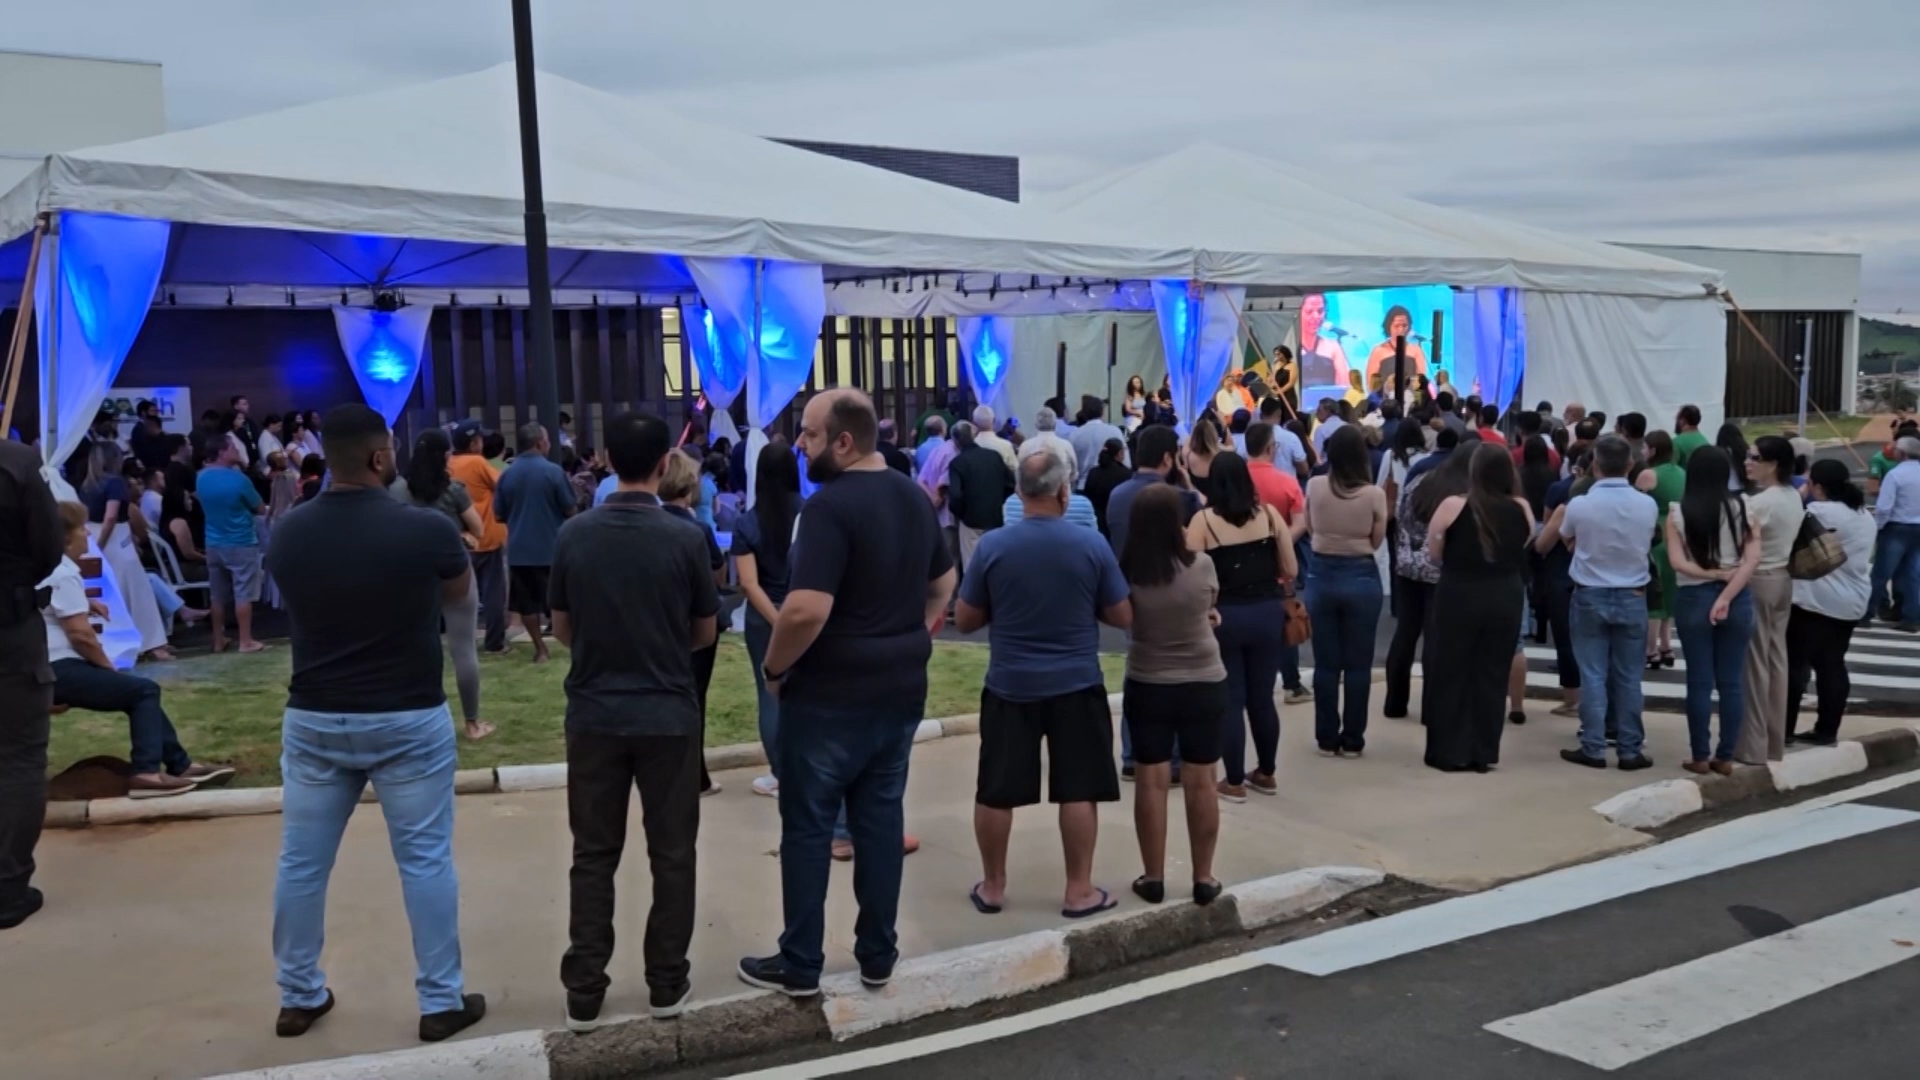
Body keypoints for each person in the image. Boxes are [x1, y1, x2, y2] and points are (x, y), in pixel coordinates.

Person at [266, 403, 486, 1043]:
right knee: (425, 860)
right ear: (379, 456)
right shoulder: (426, 529)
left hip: (315, 713)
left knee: (301, 863)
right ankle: (440, 1000)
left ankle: (298, 995)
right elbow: (458, 597)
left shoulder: (289, 532)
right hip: (406, 712)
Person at [739, 389, 956, 998]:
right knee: (879, 821)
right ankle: (877, 954)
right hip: (900, 687)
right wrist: (910, 632)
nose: (799, 445)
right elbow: (944, 583)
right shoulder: (913, 498)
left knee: (808, 826)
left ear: (842, 441)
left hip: (830, 695)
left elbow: (805, 610)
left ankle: (800, 960)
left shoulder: (828, 508)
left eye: (808, 434)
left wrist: (774, 668)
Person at [548, 411, 718, 1031]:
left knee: (593, 852)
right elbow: (704, 631)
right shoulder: (686, 538)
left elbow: (561, 627)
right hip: (668, 711)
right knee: (672, 852)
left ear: (607, 460)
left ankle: (585, 987)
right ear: (663, 465)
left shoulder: (575, 534)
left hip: (595, 711)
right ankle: (666, 980)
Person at [956, 448, 1129, 918]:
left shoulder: (992, 547)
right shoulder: (1091, 545)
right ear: (1063, 492)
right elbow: (1122, 614)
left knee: (996, 789)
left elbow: (966, 619)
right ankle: (1078, 890)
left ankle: (993, 886)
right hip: (1076, 682)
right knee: (1078, 788)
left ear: (1018, 493)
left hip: (1011, 684)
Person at [42, 501, 233, 798]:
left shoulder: (41, 567)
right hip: (60, 668)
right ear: (66, 538)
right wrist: (107, 667)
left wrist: (86, 602)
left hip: (43, 667)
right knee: (143, 691)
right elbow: (81, 635)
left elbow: (47, 602)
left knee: (139, 692)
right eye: (82, 529)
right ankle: (147, 773)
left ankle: (180, 765)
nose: (88, 534)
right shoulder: (63, 571)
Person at [1116, 484, 1227, 905]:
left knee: (1151, 780)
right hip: (1203, 678)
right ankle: (1204, 877)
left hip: (1148, 679)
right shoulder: (1202, 565)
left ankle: (1154, 876)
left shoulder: (1129, 574)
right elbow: (1208, 605)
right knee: (1202, 780)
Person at [1188, 453, 1298, 799]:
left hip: (1226, 617)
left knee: (1231, 699)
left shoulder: (1203, 522)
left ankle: (1233, 780)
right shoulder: (1270, 516)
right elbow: (1291, 569)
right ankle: (1266, 772)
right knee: (1262, 698)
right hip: (1267, 613)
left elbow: (1191, 577)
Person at [1421, 444, 1534, 772]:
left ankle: (1449, 749)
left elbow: (1434, 552)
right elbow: (1526, 541)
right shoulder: (1521, 507)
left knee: (1451, 668)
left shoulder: (1453, 505)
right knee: (1492, 671)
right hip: (1505, 591)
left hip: (1460, 590)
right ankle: (1483, 750)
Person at [1555, 435, 1658, 770]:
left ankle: (1594, 745)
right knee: (1629, 676)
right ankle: (1630, 748)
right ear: (1630, 464)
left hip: (1590, 591)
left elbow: (1567, 536)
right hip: (1633, 593)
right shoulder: (1646, 504)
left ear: (1595, 465)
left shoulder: (1580, 504)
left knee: (1593, 673)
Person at [0, 439, 66, 930]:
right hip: (8, 630)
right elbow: (48, 548)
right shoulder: (16, 464)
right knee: (19, 758)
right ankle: (6, 888)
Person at [391, 429, 492, 741]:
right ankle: (472, 723)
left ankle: (413, 720)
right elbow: (478, 529)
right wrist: (462, 534)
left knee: (411, 647)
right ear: (446, 456)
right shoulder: (453, 490)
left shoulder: (397, 490)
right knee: (463, 649)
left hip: (410, 572)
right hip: (454, 570)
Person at [1665, 446, 1760, 774]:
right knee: (1731, 682)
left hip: (1694, 596)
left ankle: (1700, 756)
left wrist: (1713, 575)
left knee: (1699, 681)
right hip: (1738, 596)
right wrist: (1728, 591)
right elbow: (1753, 560)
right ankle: (1726, 756)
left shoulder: (1678, 513)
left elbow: (1677, 562)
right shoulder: (1744, 506)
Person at [1304, 427, 1388, 756]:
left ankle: (1326, 738)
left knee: (1325, 664)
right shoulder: (1374, 495)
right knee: (1358, 665)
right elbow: (1376, 540)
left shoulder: (1315, 485)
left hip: (1322, 573)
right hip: (1361, 575)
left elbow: (1310, 526)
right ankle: (1353, 739)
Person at [1786, 460, 1875, 747]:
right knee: (1832, 664)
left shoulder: (1820, 512)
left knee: (1795, 665)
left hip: (1815, 600)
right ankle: (1827, 729)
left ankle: (1784, 729)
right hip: (1852, 600)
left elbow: (1789, 523)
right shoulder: (1863, 515)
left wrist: (1798, 495)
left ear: (1818, 486)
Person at [733, 440, 802, 799]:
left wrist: (776, 620)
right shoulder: (810, 513)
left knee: (769, 692)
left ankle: (780, 773)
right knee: (808, 691)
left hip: (764, 618)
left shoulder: (747, 523)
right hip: (803, 611)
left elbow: (748, 583)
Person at [1384, 431, 1470, 718]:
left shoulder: (1420, 479)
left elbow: (1401, 516)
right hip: (1439, 568)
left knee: (1405, 632)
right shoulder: (1460, 493)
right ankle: (1431, 708)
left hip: (1407, 564)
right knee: (1435, 637)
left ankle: (1395, 702)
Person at [660, 451, 727, 798]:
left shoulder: (650, 526)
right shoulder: (698, 531)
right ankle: (694, 775)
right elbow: (717, 574)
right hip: (696, 623)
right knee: (694, 697)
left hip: (660, 622)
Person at [1736, 436, 1804, 764]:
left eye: (1754, 458)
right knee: (1776, 659)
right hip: (1782, 578)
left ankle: (1752, 745)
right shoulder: (1792, 496)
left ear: (1773, 464)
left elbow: (1736, 539)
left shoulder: (1761, 503)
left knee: (1755, 665)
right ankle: (1773, 742)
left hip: (1759, 579)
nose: (1748, 463)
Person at [80, 442, 174, 661]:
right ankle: (152, 643)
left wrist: (95, 544)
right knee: (138, 591)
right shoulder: (116, 482)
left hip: (93, 536)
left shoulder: (85, 486)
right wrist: (102, 543)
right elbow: (111, 516)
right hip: (116, 539)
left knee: (111, 594)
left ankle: (121, 644)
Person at [494, 422, 576, 664]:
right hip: (552, 548)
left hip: (520, 550)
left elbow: (498, 514)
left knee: (526, 604)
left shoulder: (507, 474)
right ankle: (573, 644)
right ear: (540, 443)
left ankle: (541, 649)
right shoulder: (553, 472)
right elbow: (570, 508)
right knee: (563, 600)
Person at [197, 432, 267, 655]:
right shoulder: (239, 480)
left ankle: (218, 640)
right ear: (222, 452)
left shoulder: (201, 477)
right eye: (233, 448)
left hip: (213, 543)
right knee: (243, 593)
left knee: (217, 595)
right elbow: (260, 508)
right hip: (241, 542)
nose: (237, 451)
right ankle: (245, 641)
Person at [448, 422, 511, 654]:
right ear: (474, 443)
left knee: (461, 597)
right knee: (494, 594)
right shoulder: (477, 462)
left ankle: (461, 641)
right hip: (486, 537)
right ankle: (495, 643)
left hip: (461, 538)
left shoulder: (449, 463)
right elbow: (504, 484)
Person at [1637, 431, 1686, 669]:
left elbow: (1636, 504)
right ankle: (1667, 646)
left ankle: (1651, 650)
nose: (1642, 451)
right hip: (1677, 533)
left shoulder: (1648, 474)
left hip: (1655, 535)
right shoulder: (1682, 473)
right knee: (1669, 593)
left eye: (1644, 447)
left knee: (1654, 597)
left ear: (1653, 450)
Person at [947, 419, 1014, 570]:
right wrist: (999, 501)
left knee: (971, 567)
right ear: (973, 436)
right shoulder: (994, 456)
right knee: (994, 564)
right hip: (995, 518)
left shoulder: (957, 463)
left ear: (955, 441)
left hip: (970, 521)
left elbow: (955, 495)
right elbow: (1011, 483)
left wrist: (961, 514)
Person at [1869, 436, 1920, 630]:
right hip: (1918, 527)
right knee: (1913, 574)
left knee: (1881, 573)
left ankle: (1867, 612)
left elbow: (1884, 507)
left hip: (1896, 527)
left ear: (1902, 453)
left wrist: (1879, 526)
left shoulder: (1895, 475)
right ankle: (1911, 617)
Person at [1067, 396, 1127, 491]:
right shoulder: (1114, 431)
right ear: (1102, 412)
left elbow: (1070, 465)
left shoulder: (1075, 435)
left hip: (1084, 485)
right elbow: (1126, 461)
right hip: (1111, 485)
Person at [1363, 305, 1429, 389]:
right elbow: (1371, 383)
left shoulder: (1416, 350)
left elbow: (1421, 381)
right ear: (1389, 326)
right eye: (1396, 326)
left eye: (1404, 326)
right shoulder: (1378, 351)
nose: (1401, 330)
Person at [1296, 294, 1350, 390]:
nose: (1316, 316)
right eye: (1309, 312)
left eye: (1320, 311)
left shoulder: (1333, 347)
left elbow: (1344, 387)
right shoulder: (1290, 344)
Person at [1083, 438, 1134, 537]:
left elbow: (1088, 496)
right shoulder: (1127, 474)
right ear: (1120, 453)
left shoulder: (1093, 472)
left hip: (1097, 522)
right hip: (1117, 524)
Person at [1023, 407, 1078, 480]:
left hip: (1033, 486)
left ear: (1036, 424)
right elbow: (1074, 474)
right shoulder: (1066, 445)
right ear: (1055, 424)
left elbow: (1020, 473)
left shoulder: (1025, 446)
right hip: (1062, 485)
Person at [970, 405, 1017, 472]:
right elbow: (1016, 471)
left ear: (974, 423)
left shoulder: (969, 447)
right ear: (994, 420)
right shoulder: (1006, 446)